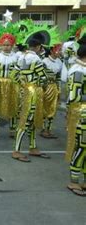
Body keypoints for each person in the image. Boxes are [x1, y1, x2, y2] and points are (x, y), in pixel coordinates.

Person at [11, 33, 49, 162]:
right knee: (27, 120)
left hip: (24, 91)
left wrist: (22, 84)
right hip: (34, 92)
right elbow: (44, 78)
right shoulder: (37, 60)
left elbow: (13, 75)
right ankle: (17, 150)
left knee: (29, 120)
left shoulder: (21, 57)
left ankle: (32, 147)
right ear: (38, 47)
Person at [0, 33, 20, 139]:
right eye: (4, 45)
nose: (6, 47)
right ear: (0, 46)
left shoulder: (16, 58)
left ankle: (12, 129)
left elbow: (19, 73)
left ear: (12, 46)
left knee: (13, 106)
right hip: (0, 85)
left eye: (8, 45)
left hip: (12, 85)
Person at [65, 44, 86, 196]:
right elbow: (74, 97)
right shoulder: (78, 70)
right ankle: (74, 181)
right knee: (81, 147)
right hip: (81, 113)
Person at [41, 44, 63, 139]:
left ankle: (49, 129)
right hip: (45, 87)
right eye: (58, 50)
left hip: (54, 87)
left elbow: (58, 77)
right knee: (44, 108)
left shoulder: (59, 62)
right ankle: (43, 129)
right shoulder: (44, 61)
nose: (60, 52)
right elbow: (42, 76)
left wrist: (58, 89)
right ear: (51, 51)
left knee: (53, 108)